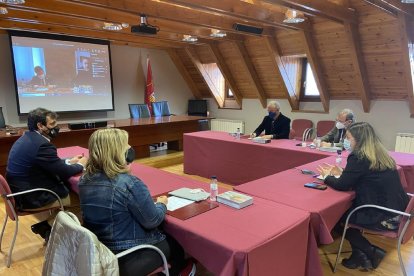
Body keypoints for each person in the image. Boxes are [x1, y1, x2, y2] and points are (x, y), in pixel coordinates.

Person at [78, 128, 196, 276]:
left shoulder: (84, 179)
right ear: (118, 153)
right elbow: (152, 220)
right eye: (126, 146)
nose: (129, 149)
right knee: (176, 246)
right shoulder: (129, 183)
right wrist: (162, 204)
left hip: (101, 251)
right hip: (129, 253)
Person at [318, 122, 409, 270]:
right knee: (346, 211)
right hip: (399, 212)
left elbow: (342, 185)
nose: (345, 141)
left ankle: (370, 250)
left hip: (384, 217)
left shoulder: (358, 156)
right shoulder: (380, 154)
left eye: (348, 138)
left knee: (335, 217)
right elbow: (365, 176)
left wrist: (326, 177)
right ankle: (358, 256)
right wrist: (342, 173)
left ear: (358, 140)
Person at [6, 107, 87, 241]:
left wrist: (68, 161)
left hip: (18, 193)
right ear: (40, 126)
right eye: (52, 124)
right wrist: (82, 164)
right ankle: (51, 227)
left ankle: (48, 227)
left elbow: (48, 164)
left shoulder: (26, 138)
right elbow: (64, 173)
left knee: (70, 190)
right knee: (81, 197)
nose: (56, 127)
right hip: (32, 197)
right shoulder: (42, 145)